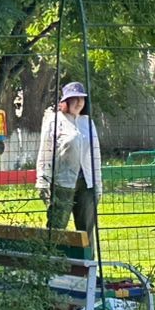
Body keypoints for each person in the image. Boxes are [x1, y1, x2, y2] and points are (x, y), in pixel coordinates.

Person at [35, 81, 102, 236]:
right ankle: (53, 252)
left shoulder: (88, 123)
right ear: (65, 101)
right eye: (74, 98)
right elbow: (45, 151)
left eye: (82, 98)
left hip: (87, 183)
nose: (79, 102)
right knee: (56, 228)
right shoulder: (54, 121)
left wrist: (98, 184)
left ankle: (86, 253)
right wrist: (42, 181)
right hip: (63, 183)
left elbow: (95, 154)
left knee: (86, 231)